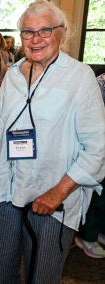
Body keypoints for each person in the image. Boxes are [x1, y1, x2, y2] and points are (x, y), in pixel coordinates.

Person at [0, 0, 105, 283]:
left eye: (45, 30)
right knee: (0, 270)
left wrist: (58, 193)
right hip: (7, 194)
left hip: (52, 201)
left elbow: (97, 149)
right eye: (27, 32)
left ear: (62, 33)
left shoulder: (80, 78)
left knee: (41, 275)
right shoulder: (13, 76)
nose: (35, 39)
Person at [74, 73, 105, 258]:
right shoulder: (98, 84)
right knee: (97, 195)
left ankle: (98, 230)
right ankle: (87, 237)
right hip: (97, 149)